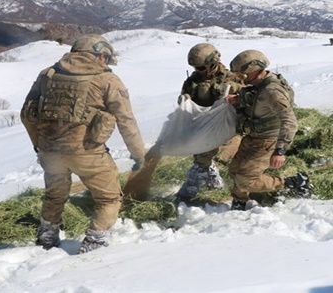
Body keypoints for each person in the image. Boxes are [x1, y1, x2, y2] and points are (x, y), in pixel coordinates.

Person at [20, 34, 145, 254]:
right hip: (88, 152)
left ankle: (47, 236)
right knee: (108, 198)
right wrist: (138, 154)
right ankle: (94, 241)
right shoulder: (107, 80)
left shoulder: (47, 74)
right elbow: (126, 121)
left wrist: (38, 144)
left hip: (50, 152)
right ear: (99, 54)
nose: (105, 63)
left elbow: (27, 114)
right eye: (105, 58)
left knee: (54, 195)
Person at [225, 49, 310, 211]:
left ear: (255, 70)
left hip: (267, 141)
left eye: (244, 74)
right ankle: (239, 201)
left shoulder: (273, 91)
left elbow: (290, 121)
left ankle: (293, 183)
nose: (242, 79)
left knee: (246, 180)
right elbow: (256, 97)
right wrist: (239, 99)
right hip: (253, 136)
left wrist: (280, 151)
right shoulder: (260, 83)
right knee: (235, 171)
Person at [174, 43, 244, 204]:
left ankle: (192, 186)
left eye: (201, 68)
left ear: (213, 63)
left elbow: (247, 95)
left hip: (224, 124)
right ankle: (213, 178)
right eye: (196, 68)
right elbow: (186, 95)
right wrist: (184, 99)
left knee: (202, 154)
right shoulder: (193, 81)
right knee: (199, 150)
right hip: (201, 122)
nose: (198, 71)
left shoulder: (231, 78)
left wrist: (234, 90)